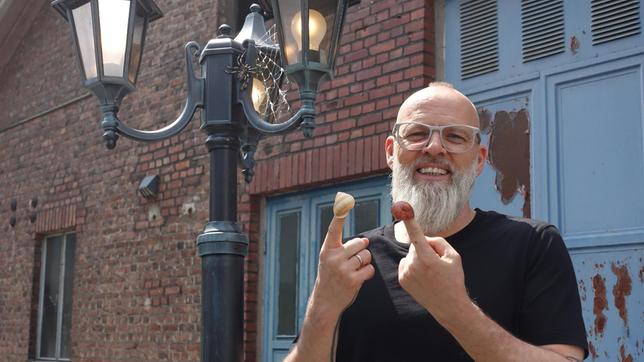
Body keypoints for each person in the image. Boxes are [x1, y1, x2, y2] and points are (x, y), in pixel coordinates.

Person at [285, 83, 588, 362]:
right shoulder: (353, 259)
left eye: (455, 137)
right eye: (417, 134)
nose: (433, 147)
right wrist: (322, 306)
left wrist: (455, 308)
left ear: (479, 160)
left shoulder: (532, 244)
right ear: (391, 152)